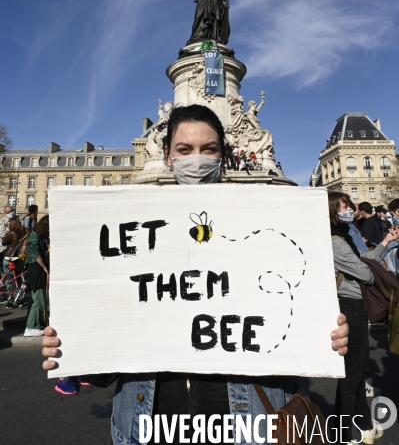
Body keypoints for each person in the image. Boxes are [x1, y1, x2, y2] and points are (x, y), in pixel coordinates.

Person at [42, 105, 349, 445]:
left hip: (244, 423)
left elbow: (287, 326)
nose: (197, 160)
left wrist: (323, 333)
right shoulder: (134, 230)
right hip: (151, 425)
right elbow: (107, 362)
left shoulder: (262, 220)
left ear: (224, 156)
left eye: (209, 149)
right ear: (167, 157)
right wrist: (73, 345)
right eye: (185, 150)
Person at [329, 191, 399, 445]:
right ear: (333, 212)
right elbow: (366, 273)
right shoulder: (336, 241)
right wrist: (369, 266)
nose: (350, 210)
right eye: (345, 207)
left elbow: (365, 262)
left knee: (356, 372)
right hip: (349, 306)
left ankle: (363, 425)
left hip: (356, 305)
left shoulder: (345, 235)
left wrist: (385, 243)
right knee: (351, 374)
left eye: (350, 206)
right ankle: (342, 433)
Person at [24, 215, 49, 337]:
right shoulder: (34, 236)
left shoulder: (36, 235)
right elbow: (35, 254)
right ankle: (31, 327)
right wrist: (44, 267)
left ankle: (33, 324)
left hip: (34, 269)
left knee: (35, 299)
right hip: (36, 270)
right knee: (38, 300)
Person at [2, 217, 26, 293]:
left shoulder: (12, 233)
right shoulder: (24, 231)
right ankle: (19, 297)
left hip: (9, 256)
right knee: (18, 277)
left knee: (9, 278)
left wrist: (7, 231)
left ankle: (10, 298)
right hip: (19, 256)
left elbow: (4, 242)